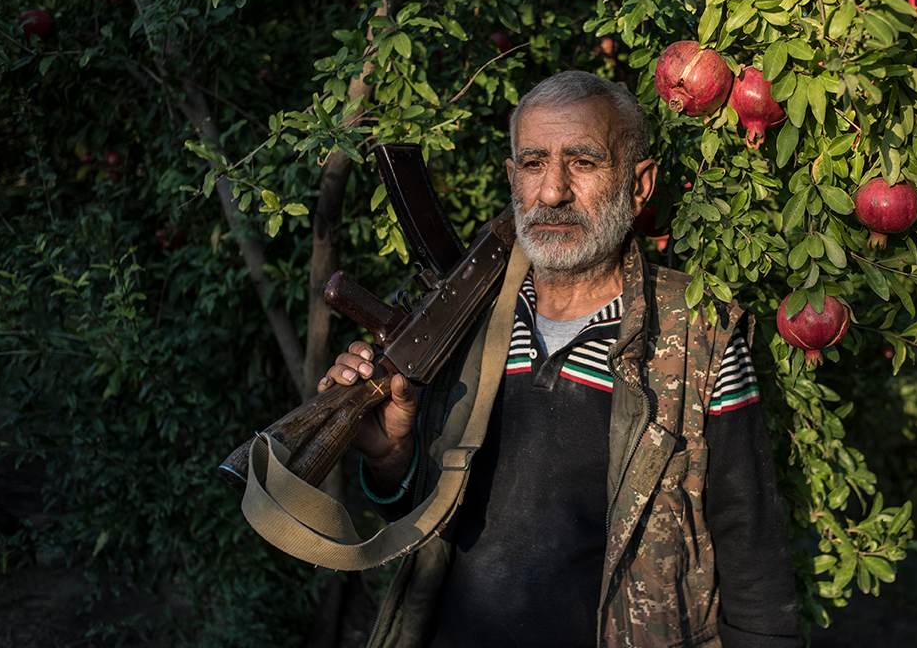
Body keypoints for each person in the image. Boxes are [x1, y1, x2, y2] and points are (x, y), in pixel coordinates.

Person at [320, 71, 803, 648]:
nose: (552, 192)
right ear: (512, 178)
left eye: (584, 162)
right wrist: (391, 459)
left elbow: (755, 566)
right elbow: (428, 524)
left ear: (640, 183)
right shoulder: (465, 322)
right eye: (532, 164)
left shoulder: (700, 335)